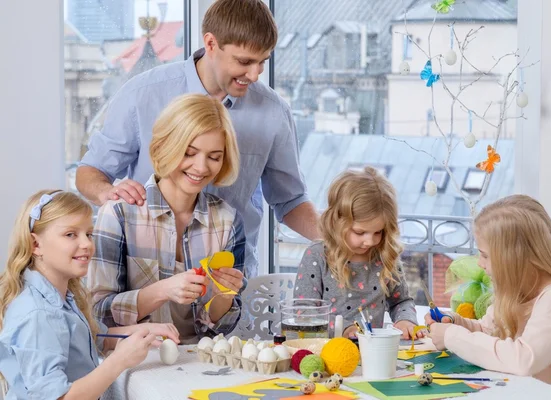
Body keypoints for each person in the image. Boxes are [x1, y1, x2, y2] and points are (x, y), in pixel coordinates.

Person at [75, 0, 319, 278]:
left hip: (229, 282)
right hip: (146, 276)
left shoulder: (274, 111)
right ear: (211, 43)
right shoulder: (142, 94)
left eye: (263, 62)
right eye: (244, 62)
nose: (254, 75)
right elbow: (90, 171)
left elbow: (291, 200)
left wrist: (340, 240)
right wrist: (107, 193)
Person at [87, 94, 246, 344]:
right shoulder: (119, 213)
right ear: (165, 146)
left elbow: (222, 327)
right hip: (136, 363)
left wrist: (225, 296)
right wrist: (163, 290)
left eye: (214, 157)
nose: (201, 167)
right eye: (189, 153)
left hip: (199, 362)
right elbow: (98, 314)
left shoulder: (228, 221)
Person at [0, 190, 178, 400]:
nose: (86, 244)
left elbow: (94, 339)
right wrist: (119, 361)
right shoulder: (40, 313)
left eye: (89, 234)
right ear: (36, 245)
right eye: (70, 234)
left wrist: (145, 329)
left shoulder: (60, 297)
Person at [426, 195, 551, 399]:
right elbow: (489, 330)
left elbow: (524, 359)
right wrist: (457, 323)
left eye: (485, 255)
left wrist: (451, 336)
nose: (480, 264)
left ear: (513, 258)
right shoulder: (516, 291)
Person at [294, 167, 422, 340]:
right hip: (328, 355)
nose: (370, 241)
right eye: (360, 232)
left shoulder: (385, 256)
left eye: (378, 232)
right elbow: (304, 313)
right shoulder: (317, 256)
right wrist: (343, 328)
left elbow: (401, 301)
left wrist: (405, 320)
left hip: (372, 353)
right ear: (337, 221)